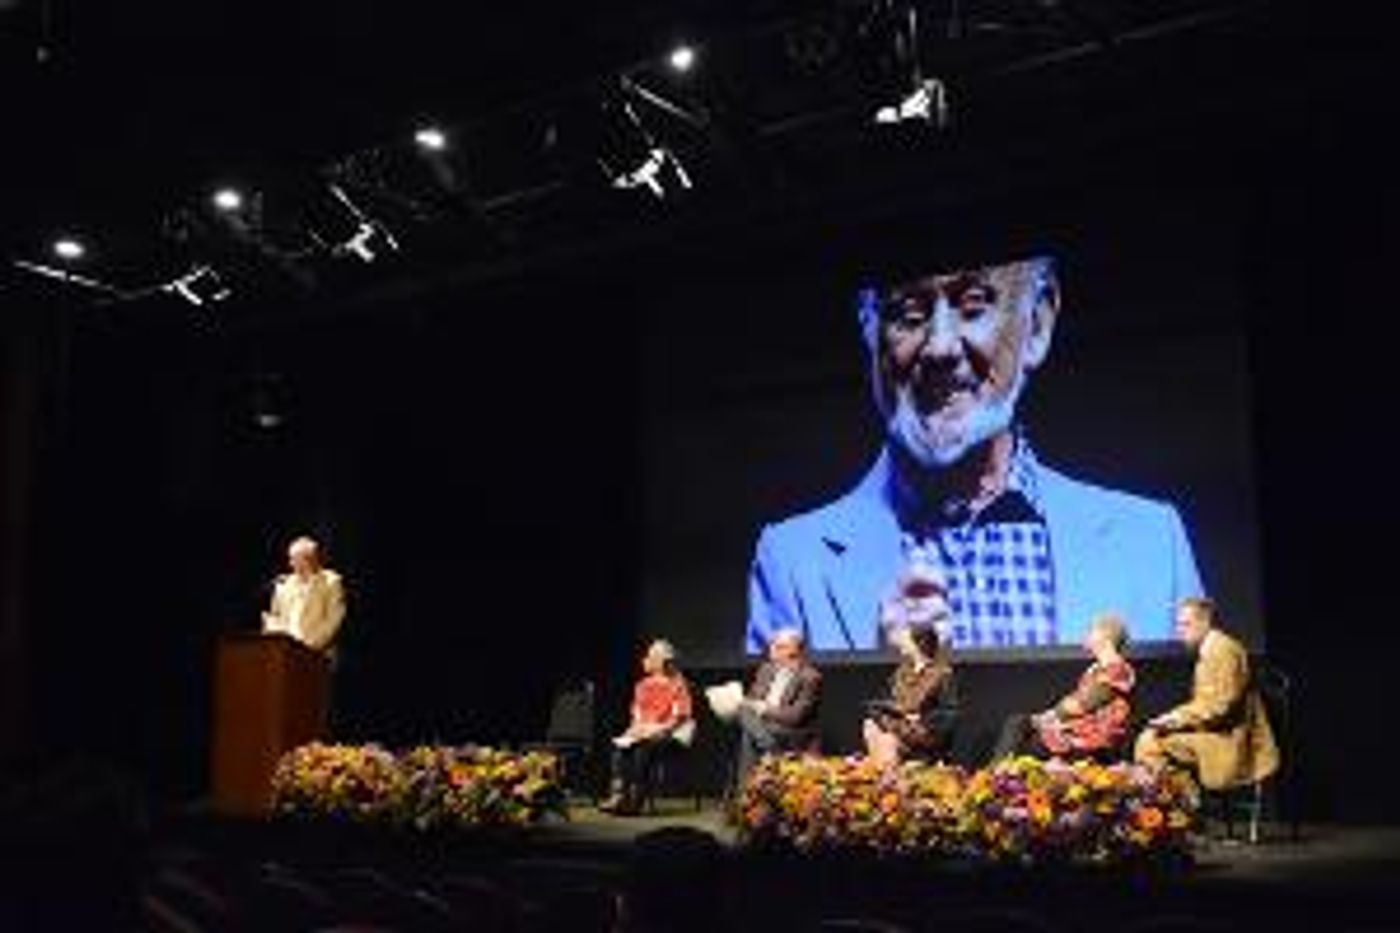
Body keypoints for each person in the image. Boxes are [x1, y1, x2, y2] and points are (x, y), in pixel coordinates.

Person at [745, 256, 1204, 654]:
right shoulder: (792, 561)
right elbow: (777, 725)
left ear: (1038, 321)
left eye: (973, 306)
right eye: (909, 314)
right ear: (869, 330)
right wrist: (877, 674)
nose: (941, 347)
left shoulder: (1151, 542)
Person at [1134, 597, 1278, 791]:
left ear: (1205, 622)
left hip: (1229, 740)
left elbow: (1220, 706)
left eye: (1186, 624)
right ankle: (1179, 799)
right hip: (1214, 730)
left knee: (1149, 742)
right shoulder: (1210, 650)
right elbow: (1204, 702)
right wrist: (1172, 718)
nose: (1179, 631)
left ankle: (1178, 801)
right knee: (1150, 736)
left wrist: (1176, 719)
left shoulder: (1223, 650)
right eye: (1178, 625)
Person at [990, 612, 1136, 761]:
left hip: (1094, 736)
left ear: (1105, 636)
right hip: (1081, 728)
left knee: (1020, 729)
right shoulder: (1096, 669)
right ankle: (1000, 770)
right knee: (1019, 727)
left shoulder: (1117, 669)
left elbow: (1082, 705)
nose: (1086, 635)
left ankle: (998, 771)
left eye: (1091, 630)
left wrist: (1049, 717)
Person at [862, 594, 959, 767]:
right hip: (898, 727)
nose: (899, 642)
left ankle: (890, 773)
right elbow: (886, 701)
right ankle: (886, 772)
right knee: (871, 726)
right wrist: (888, 712)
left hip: (924, 734)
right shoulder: (901, 673)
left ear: (918, 643)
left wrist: (920, 718)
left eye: (904, 638)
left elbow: (948, 715)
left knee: (888, 741)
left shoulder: (942, 674)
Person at [601, 639, 695, 815]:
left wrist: (660, 730)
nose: (646, 660)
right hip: (645, 731)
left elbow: (679, 717)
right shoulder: (642, 686)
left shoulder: (678, 685)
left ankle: (636, 799)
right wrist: (635, 729)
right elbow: (637, 713)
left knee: (642, 749)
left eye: (651, 657)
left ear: (661, 662)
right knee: (620, 749)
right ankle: (619, 795)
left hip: (670, 733)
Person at [731, 627, 822, 790]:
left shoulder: (810, 677)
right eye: (772, 645)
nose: (771, 649)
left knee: (749, 736)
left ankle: (745, 792)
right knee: (743, 711)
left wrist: (765, 709)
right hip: (762, 724)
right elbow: (753, 698)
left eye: (779, 646)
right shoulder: (766, 670)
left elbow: (796, 717)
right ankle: (769, 745)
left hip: (791, 729)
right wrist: (747, 702)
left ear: (793, 650)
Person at [261, 536, 346, 660]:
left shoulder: (331, 582)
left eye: (294, 559)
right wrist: (272, 627)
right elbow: (276, 617)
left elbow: (333, 621)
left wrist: (307, 648)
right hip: (285, 654)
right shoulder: (284, 585)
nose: (290, 564)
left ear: (308, 560)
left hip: (317, 655)